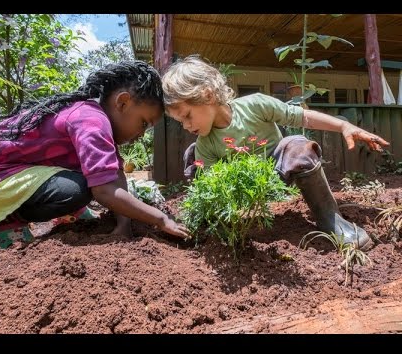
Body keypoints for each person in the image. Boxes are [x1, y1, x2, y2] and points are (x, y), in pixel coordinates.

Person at [0, 60, 190, 249]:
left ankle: (66, 211)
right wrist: (160, 219)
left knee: (90, 180)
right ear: (123, 103)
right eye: (143, 123)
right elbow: (105, 191)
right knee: (82, 189)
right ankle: (8, 221)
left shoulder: (96, 122)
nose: (141, 134)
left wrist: (123, 224)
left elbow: (116, 177)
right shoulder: (92, 121)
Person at [161, 55, 390, 251]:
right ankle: (215, 228)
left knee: (298, 144)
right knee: (193, 157)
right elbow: (215, 189)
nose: (186, 126)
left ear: (207, 95)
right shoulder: (205, 143)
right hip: (241, 188)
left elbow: (303, 117)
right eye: (180, 121)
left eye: (187, 116)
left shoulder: (255, 105)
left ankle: (330, 219)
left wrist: (343, 126)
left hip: (279, 173)